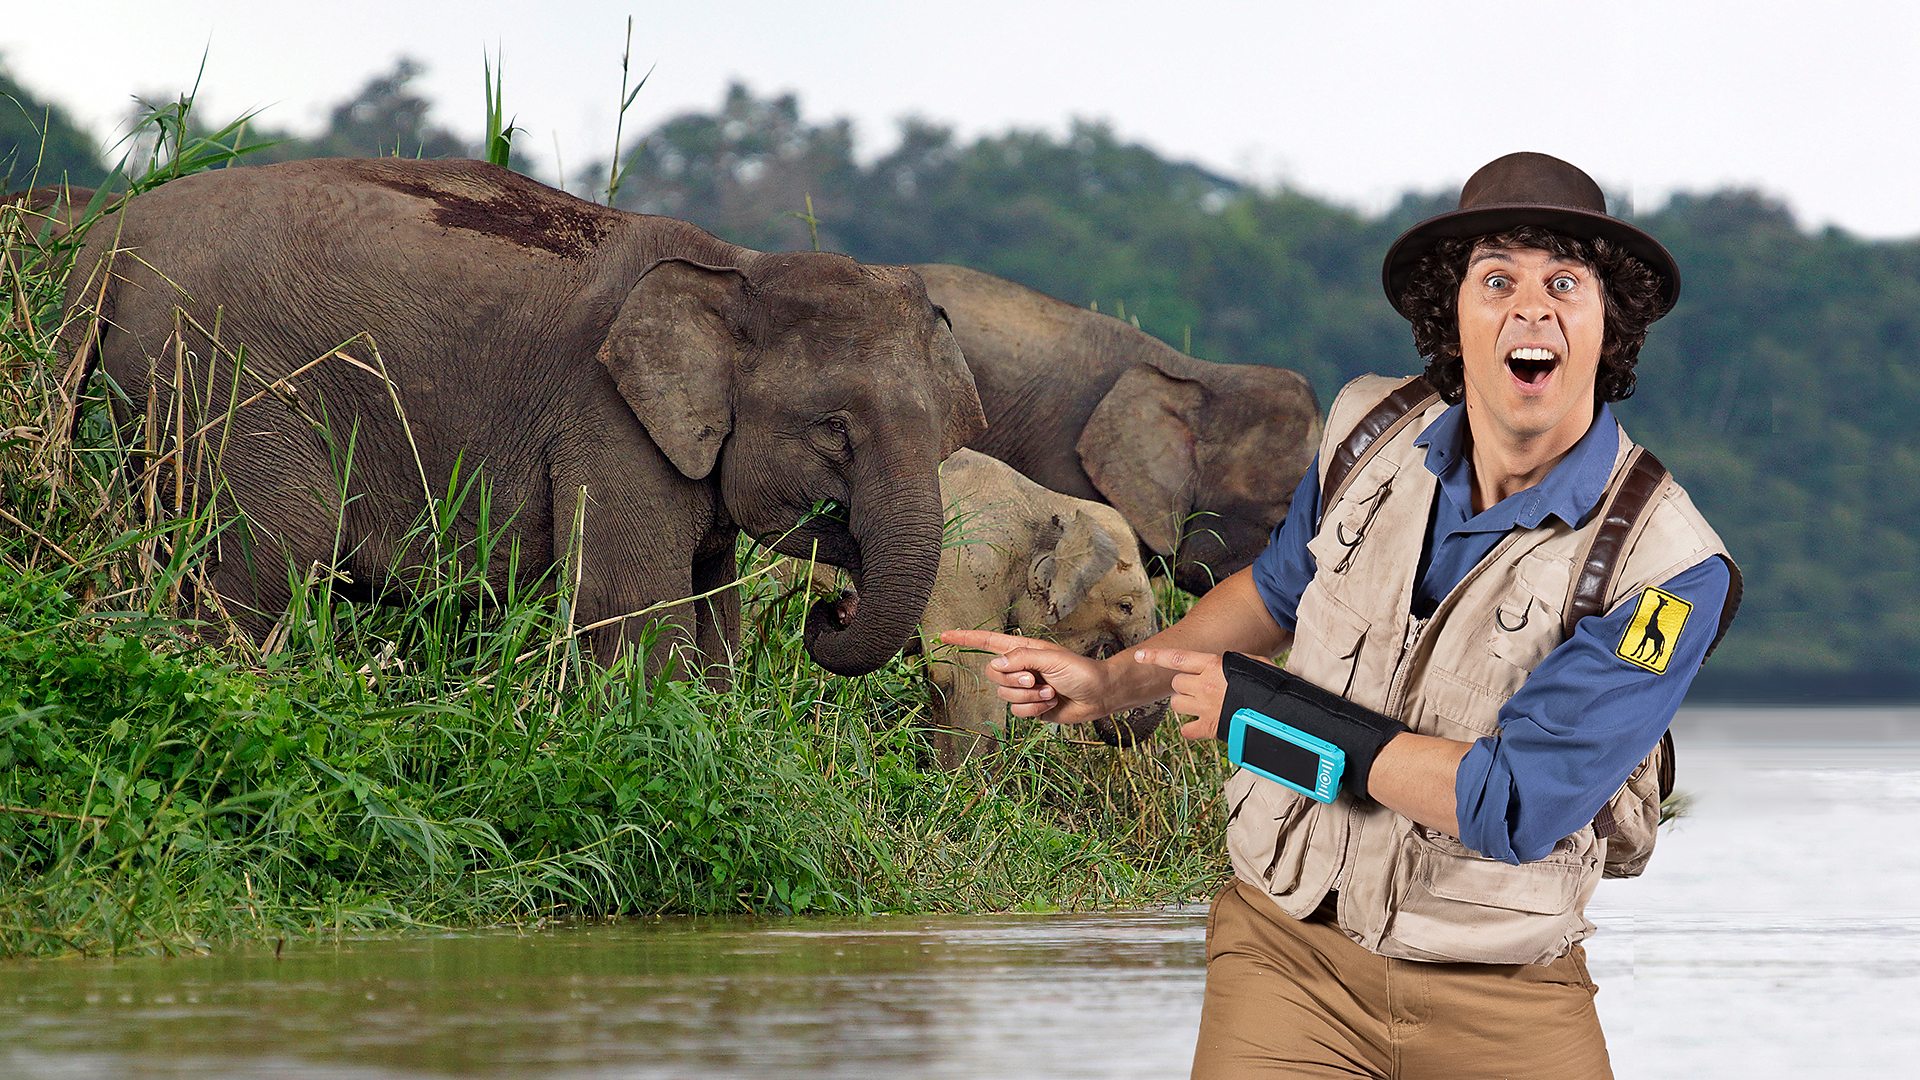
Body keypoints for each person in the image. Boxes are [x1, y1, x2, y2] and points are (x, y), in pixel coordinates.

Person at [942, 151, 1739, 1079]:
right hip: (1284, 954)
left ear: (1610, 326)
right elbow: (1279, 591)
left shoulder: (1668, 568)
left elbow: (1512, 804)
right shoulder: (1368, 432)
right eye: (1498, 281)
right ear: (1455, 316)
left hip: (1505, 993)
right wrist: (1118, 681)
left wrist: (1258, 713)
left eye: (1566, 283)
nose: (1533, 308)